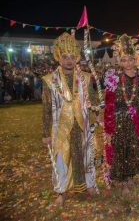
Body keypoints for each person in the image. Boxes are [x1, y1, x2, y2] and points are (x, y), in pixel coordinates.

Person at [42, 32, 100, 205]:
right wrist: (46, 132)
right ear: (58, 58)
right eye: (65, 57)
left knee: (86, 155)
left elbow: (93, 99)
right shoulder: (49, 80)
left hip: (82, 124)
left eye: (72, 57)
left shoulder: (86, 78)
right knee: (61, 159)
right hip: (61, 127)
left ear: (77, 59)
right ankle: (62, 190)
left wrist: (97, 112)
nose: (69, 60)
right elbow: (46, 108)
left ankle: (89, 185)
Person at [104, 34, 139, 197]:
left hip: (136, 121)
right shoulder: (113, 79)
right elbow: (109, 104)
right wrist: (108, 126)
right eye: (124, 60)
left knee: (133, 148)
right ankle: (123, 182)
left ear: (135, 60)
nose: (128, 63)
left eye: (131, 59)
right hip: (119, 121)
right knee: (121, 149)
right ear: (120, 62)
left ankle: (130, 175)